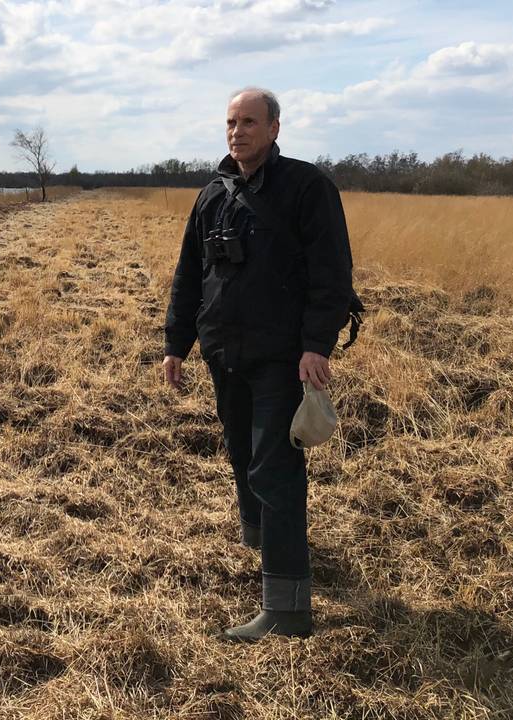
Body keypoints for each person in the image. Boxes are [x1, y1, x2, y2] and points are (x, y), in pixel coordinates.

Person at [161, 87, 355, 641]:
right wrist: (178, 343)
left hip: (282, 358)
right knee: (242, 453)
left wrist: (317, 343)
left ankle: (287, 609)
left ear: (274, 128)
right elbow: (189, 275)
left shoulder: (305, 187)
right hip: (225, 353)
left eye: (249, 121)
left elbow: (332, 273)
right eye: (230, 122)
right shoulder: (212, 195)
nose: (237, 131)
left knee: (275, 469)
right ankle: (265, 544)